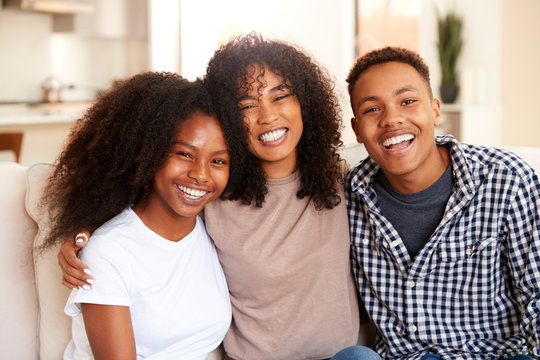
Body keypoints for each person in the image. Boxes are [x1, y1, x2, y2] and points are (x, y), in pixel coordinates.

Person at [56, 34, 382, 360]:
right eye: (247, 105)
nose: (267, 116)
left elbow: (409, 170)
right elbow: (146, 202)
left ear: (305, 103)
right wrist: (84, 230)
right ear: (230, 119)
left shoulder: (342, 177)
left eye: (280, 97)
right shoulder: (218, 196)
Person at [343, 46, 540, 359]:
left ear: (435, 110)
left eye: (407, 101)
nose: (392, 119)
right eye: (372, 110)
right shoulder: (347, 198)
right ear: (357, 130)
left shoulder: (507, 180)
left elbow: (537, 294)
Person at [40, 72, 235, 359]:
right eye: (184, 154)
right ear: (148, 151)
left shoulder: (213, 230)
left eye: (218, 160)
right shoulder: (107, 253)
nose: (201, 175)